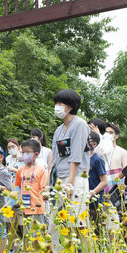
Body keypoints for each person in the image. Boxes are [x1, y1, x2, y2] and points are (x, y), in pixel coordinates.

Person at [50, 89, 91, 226]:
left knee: (78, 223)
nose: (57, 106)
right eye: (56, 103)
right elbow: (54, 158)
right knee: (56, 222)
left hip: (75, 178)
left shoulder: (80, 124)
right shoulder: (59, 129)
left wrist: (70, 184)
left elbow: (76, 156)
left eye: (60, 103)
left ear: (70, 106)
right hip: (60, 178)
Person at [14, 139, 49, 243]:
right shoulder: (20, 169)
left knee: (37, 236)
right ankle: (26, 251)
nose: (25, 155)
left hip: (37, 208)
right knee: (26, 234)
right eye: (23, 152)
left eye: (27, 152)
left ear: (36, 154)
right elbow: (19, 185)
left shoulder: (41, 170)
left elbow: (44, 189)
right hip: (25, 207)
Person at [87, 131, 110, 233]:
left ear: (94, 144)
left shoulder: (97, 160)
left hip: (95, 203)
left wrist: (91, 193)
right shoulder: (81, 159)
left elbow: (104, 181)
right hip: (83, 201)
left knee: (97, 231)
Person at [102, 122, 127, 192]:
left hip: (118, 188)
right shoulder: (100, 151)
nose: (108, 135)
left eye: (111, 132)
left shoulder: (122, 152)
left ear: (117, 136)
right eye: (106, 132)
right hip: (103, 186)